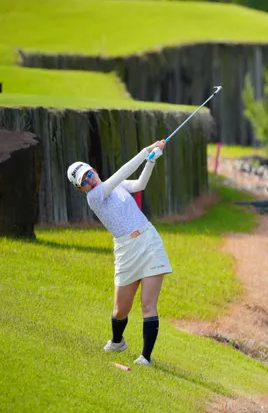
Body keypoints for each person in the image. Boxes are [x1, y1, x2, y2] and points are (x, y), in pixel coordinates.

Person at [66, 140, 172, 367]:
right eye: (83, 181)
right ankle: (117, 341)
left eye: (89, 174)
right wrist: (146, 151)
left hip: (148, 241)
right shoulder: (94, 197)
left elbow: (140, 184)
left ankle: (145, 357)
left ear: (94, 170)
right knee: (120, 310)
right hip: (125, 250)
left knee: (147, 304)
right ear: (79, 188)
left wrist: (151, 161)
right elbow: (123, 171)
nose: (89, 180)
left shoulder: (117, 186)